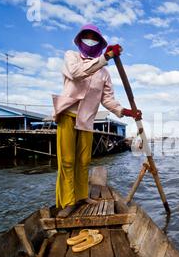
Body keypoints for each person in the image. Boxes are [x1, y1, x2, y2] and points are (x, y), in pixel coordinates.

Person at [52, 24, 142, 218]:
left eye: (94, 38)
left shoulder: (104, 73)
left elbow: (107, 99)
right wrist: (106, 58)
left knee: (83, 160)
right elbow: (77, 73)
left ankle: (82, 195)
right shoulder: (71, 57)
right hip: (67, 113)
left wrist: (126, 111)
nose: (90, 41)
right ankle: (68, 202)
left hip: (87, 119)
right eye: (87, 37)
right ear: (80, 40)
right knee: (67, 161)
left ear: (100, 43)